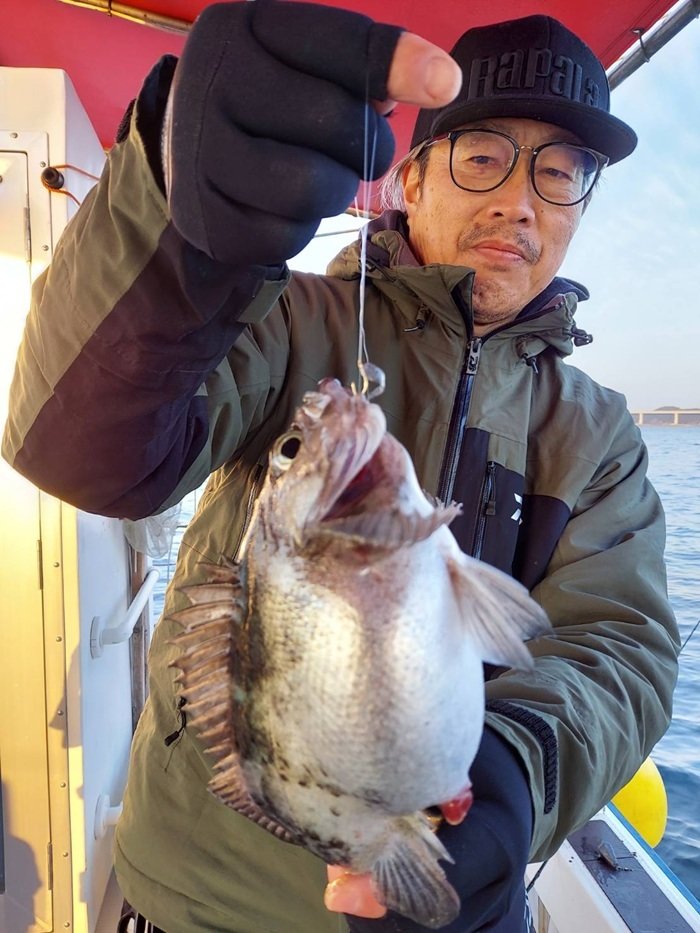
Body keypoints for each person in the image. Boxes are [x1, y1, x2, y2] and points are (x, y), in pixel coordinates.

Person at [2, 4, 679, 932]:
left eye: (560, 173)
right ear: (411, 178)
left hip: (447, 898)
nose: (518, 201)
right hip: (204, 905)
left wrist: (514, 775)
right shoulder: (284, 318)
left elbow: (621, 647)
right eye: (483, 155)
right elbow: (82, 447)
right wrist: (177, 221)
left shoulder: (598, 432)